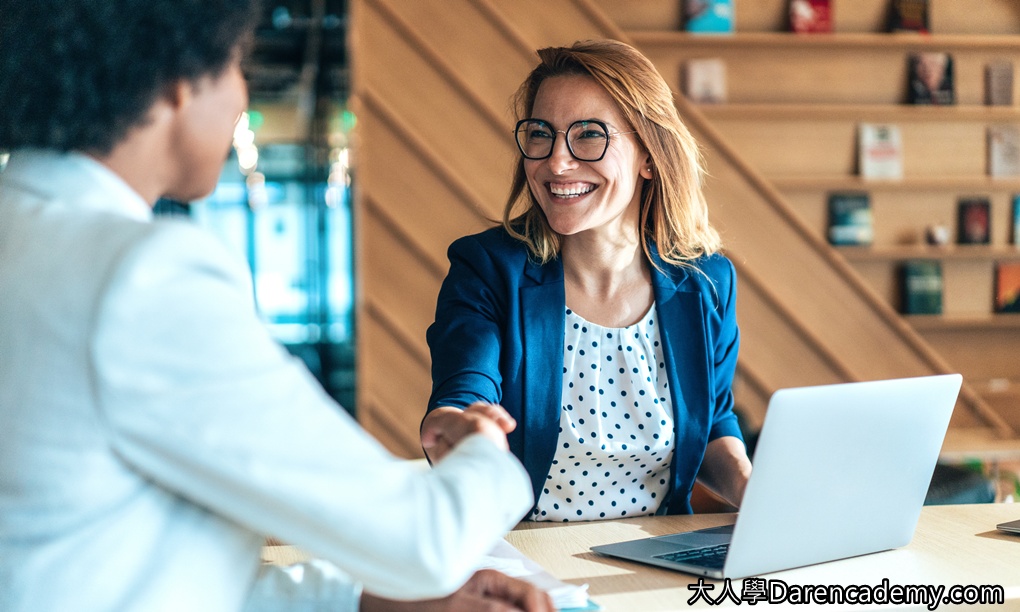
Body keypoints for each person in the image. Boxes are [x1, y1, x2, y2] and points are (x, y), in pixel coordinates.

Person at [0, 1, 552, 611]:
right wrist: (485, 451)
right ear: (179, 83)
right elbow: (424, 542)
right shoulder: (140, 276)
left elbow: (107, 563)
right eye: (238, 64)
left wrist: (367, 604)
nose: (241, 95)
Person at [423, 39, 752, 521]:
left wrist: (751, 487)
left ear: (649, 156)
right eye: (541, 134)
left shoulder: (707, 281)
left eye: (590, 135)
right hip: (525, 557)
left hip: (657, 554)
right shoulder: (487, 268)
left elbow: (714, 420)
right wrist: (458, 428)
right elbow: (462, 394)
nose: (556, 162)